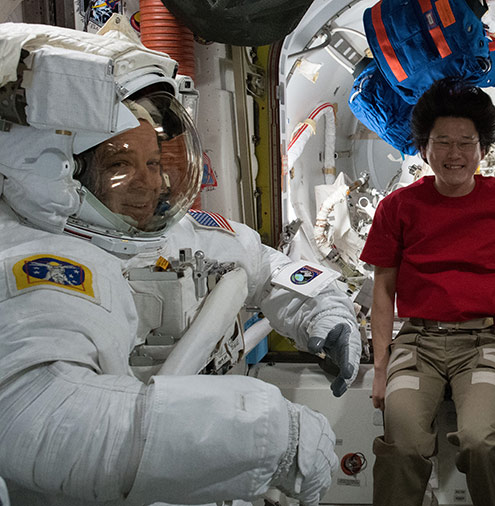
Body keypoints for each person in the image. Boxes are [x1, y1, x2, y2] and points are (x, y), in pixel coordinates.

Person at [0, 22, 359, 506]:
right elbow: (41, 418)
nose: (148, 183)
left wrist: (326, 312)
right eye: (117, 165)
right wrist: (272, 436)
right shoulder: (36, 266)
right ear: (56, 172)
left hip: (204, 475)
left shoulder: (175, 231)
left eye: (153, 163)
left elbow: (268, 266)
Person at [360, 77, 495, 506]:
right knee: (403, 440)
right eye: (442, 142)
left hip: (482, 343)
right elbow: (382, 292)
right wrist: (380, 367)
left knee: (483, 441)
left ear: (483, 149)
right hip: (418, 344)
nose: (455, 154)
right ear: (424, 148)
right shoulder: (398, 207)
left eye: (467, 142)